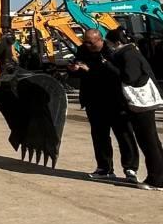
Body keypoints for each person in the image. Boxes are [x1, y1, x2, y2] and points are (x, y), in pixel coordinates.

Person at [69, 28, 139, 182]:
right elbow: (78, 71)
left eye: (90, 42)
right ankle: (104, 168)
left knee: (124, 134)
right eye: (85, 42)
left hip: (115, 99)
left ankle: (130, 168)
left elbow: (119, 74)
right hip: (93, 99)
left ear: (99, 40)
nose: (87, 45)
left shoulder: (112, 50)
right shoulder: (82, 50)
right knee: (100, 136)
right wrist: (74, 69)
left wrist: (90, 69)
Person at [105, 28, 163, 190]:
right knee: (152, 140)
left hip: (141, 104)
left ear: (117, 43)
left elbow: (130, 77)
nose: (108, 46)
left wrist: (109, 66)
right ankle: (158, 175)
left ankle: (156, 179)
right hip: (142, 104)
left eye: (109, 43)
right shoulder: (130, 52)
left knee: (148, 141)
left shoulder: (128, 55)